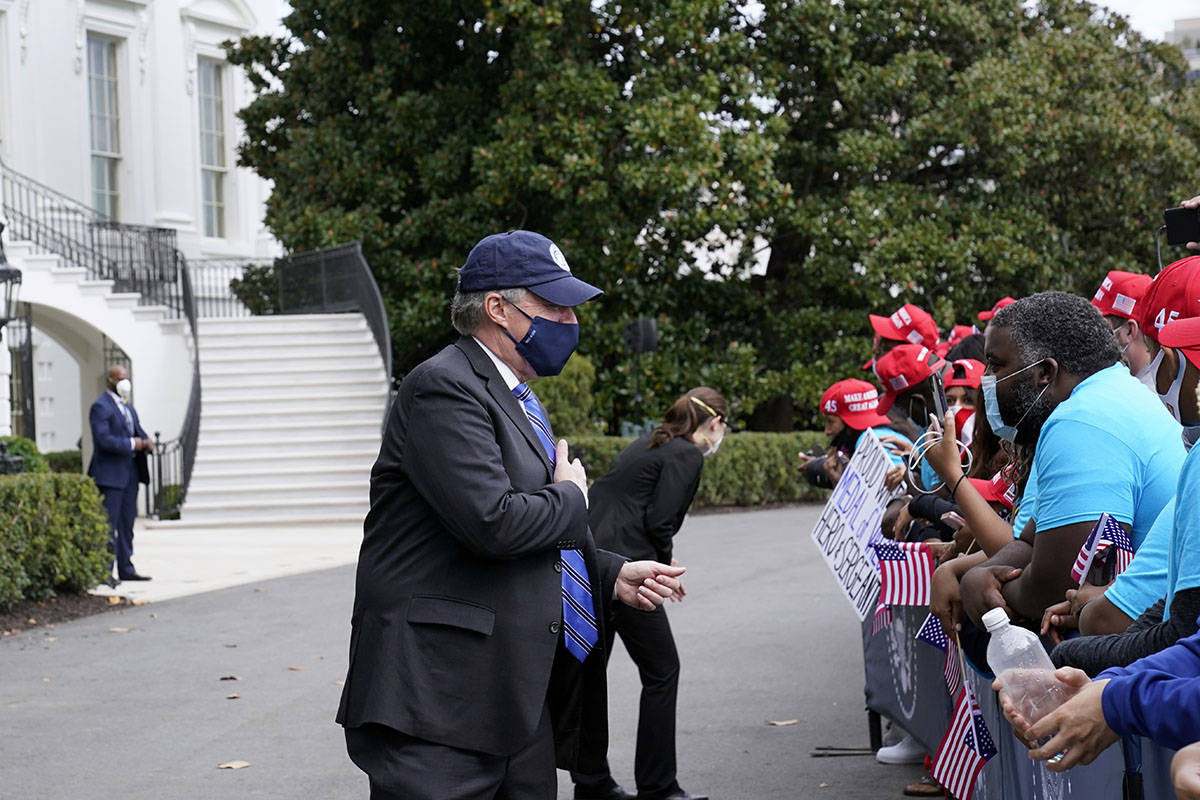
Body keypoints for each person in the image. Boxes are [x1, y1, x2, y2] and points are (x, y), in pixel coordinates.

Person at [335, 230, 686, 800]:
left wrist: (608, 572)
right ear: (496, 308)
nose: (569, 321)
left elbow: (527, 530)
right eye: (553, 305)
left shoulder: (515, 392)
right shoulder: (443, 388)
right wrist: (573, 495)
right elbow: (492, 522)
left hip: (509, 699)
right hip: (441, 702)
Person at [954, 292, 1184, 630]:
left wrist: (988, 589)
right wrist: (981, 573)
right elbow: (1033, 539)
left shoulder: (1082, 420)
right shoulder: (1109, 393)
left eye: (997, 364)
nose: (987, 379)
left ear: (1045, 371)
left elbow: (1056, 584)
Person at [570, 388, 726, 800]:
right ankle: (657, 786)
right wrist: (665, 572)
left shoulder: (651, 442)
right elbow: (660, 521)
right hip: (627, 567)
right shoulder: (687, 453)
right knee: (662, 671)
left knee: (591, 677)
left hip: (592, 561)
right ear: (715, 423)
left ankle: (592, 784)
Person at [87, 365, 152, 585]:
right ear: (110, 380)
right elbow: (104, 440)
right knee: (108, 525)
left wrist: (146, 442)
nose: (124, 381)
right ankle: (105, 571)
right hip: (110, 476)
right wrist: (134, 443)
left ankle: (126, 567)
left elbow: (137, 431)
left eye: (126, 377)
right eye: (120, 378)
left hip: (130, 474)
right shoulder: (100, 407)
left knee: (127, 524)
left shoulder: (128, 408)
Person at [798, 378, 912, 489]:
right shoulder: (890, 431)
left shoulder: (869, 443)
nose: (827, 431)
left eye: (831, 422)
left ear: (849, 424)